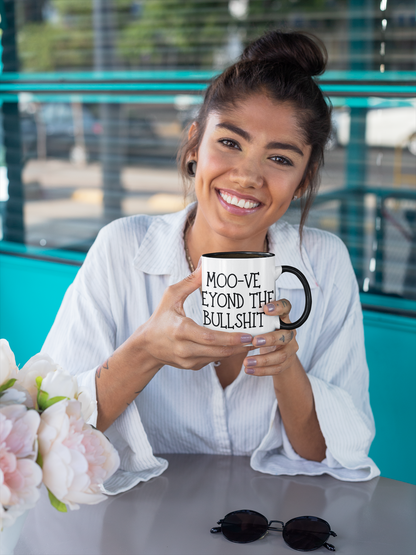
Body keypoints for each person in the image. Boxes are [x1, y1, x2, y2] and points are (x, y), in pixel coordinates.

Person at [42, 29, 379, 494]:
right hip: (142, 525)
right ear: (195, 145)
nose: (247, 176)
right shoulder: (121, 249)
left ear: (305, 179)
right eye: (230, 143)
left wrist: (285, 367)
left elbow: (320, 452)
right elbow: (51, 429)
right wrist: (144, 353)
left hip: (266, 525)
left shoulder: (324, 263)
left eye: (280, 158)